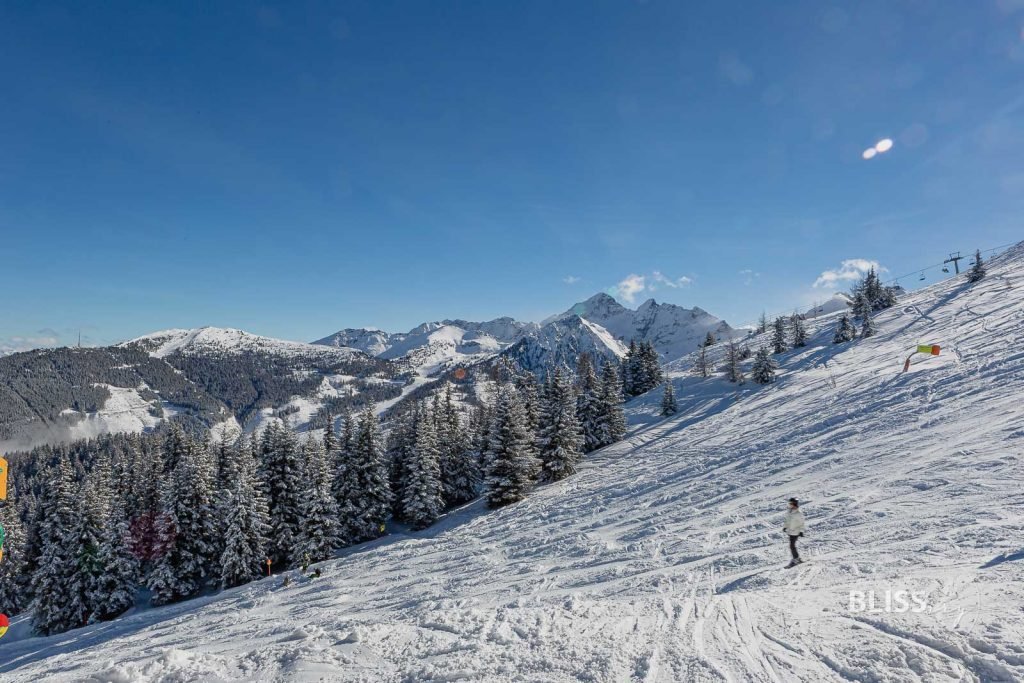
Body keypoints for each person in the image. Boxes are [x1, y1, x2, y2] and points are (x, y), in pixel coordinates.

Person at [783, 497, 806, 568]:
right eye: (789, 503)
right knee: (792, 546)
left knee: (792, 546)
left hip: (796, 532)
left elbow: (802, 523)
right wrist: (785, 526)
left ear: (794, 504)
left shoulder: (798, 513)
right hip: (790, 531)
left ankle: (796, 559)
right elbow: (787, 520)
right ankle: (797, 558)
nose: (789, 505)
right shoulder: (789, 511)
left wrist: (801, 531)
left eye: (791, 504)